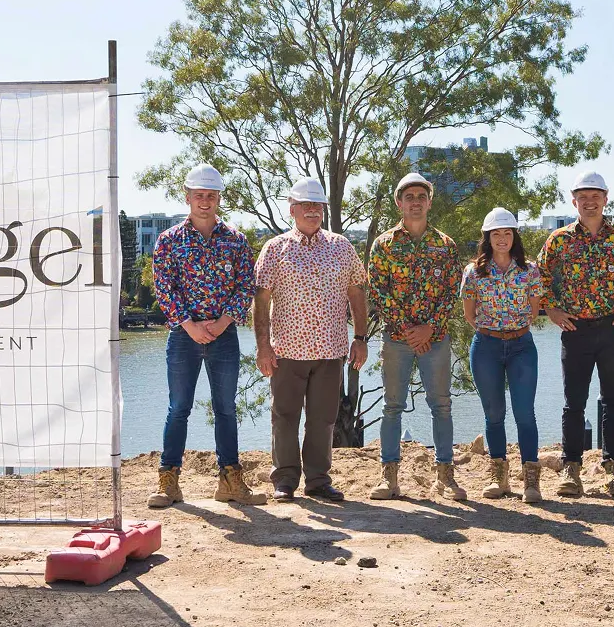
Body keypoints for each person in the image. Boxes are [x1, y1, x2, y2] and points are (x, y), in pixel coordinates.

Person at [147, 163, 265, 508]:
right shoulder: (169, 240)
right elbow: (164, 288)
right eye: (199, 195)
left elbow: (245, 286)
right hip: (184, 335)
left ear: (219, 199)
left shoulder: (236, 241)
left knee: (226, 408)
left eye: (211, 195)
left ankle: (230, 481)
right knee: (178, 408)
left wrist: (224, 321)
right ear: (187, 197)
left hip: (223, 335)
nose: (205, 201)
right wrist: (189, 325)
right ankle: (169, 482)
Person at [537, 171, 614, 498]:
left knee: (613, 401)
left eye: (595, 196)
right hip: (574, 329)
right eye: (583, 197)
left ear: (605, 199)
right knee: (573, 403)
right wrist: (551, 309)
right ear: (573, 201)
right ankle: (571, 470)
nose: (589, 202)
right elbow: (540, 276)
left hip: (613, 328)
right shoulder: (559, 239)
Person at [253, 178, 368, 503]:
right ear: (292, 209)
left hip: (331, 351)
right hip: (287, 351)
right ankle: (285, 480)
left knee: (323, 420)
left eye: (317, 205)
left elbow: (356, 292)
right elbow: (261, 300)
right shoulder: (275, 249)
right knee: (285, 417)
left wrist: (360, 337)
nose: (313, 211)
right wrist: (263, 346)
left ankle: (318, 481)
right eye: (306, 205)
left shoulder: (341, 247)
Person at [367, 172, 466, 501]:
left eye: (421, 197)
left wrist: (429, 328)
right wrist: (410, 331)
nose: (415, 202)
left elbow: (452, 292)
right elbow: (378, 292)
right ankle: (389, 477)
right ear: (399, 203)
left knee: (442, 406)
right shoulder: (384, 245)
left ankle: (445, 477)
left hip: (435, 339)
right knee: (392, 406)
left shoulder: (446, 246)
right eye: (409, 197)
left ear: (429, 202)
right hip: (397, 339)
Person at [462, 208, 544, 503]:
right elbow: (469, 314)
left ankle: (531, 481)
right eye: (496, 233)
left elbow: (534, 310)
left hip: (522, 346)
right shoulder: (473, 272)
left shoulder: (530, 270)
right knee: (494, 414)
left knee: (525, 413)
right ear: (487, 237)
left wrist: (512, 328)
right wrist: (492, 331)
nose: (502, 238)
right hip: (487, 346)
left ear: (514, 236)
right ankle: (499, 477)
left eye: (507, 233)